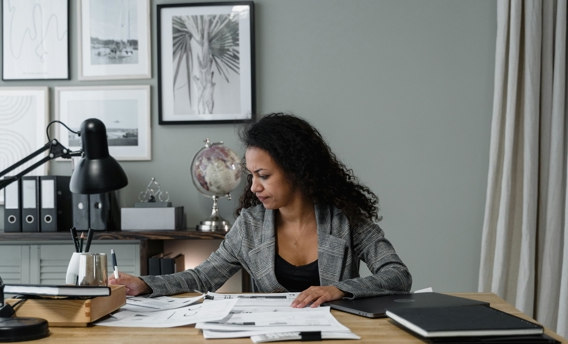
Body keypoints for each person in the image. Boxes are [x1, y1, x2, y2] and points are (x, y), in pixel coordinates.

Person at [110, 113, 412, 308]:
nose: (254, 187)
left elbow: (397, 275)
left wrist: (340, 290)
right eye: (251, 175)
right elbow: (202, 279)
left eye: (264, 176)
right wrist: (145, 283)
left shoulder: (345, 219)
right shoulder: (250, 226)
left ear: (297, 171)